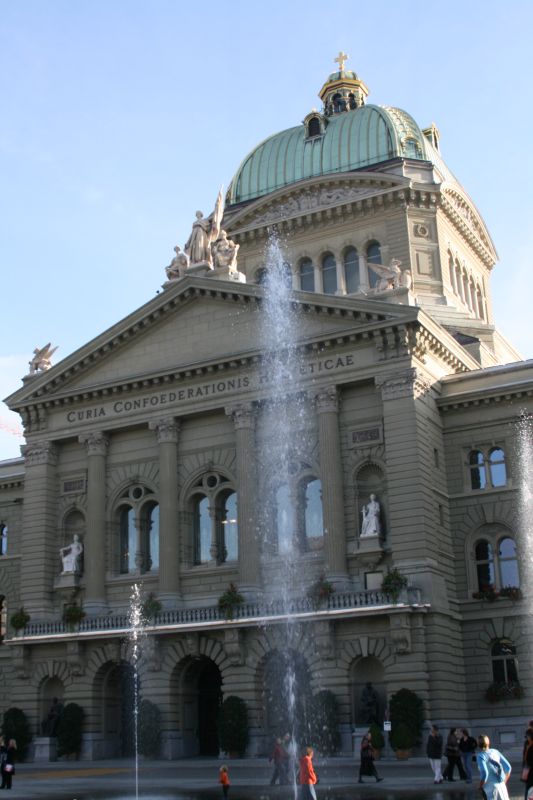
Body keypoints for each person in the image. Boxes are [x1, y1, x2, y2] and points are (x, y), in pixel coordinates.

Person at [476, 734, 511, 800]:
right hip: (502, 785)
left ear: (478, 744)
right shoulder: (495, 751)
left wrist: (480, 786)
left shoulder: (480, 756)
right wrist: (504, 781)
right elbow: (508, 767)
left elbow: (484, 773)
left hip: (490, 787)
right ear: (488, 742)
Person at [522, 728, 533, 799]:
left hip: (531, 772)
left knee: (528, 789)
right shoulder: (528, 744)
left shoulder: (530, 746)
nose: (526, 738)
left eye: (527, 736)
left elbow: (527, 759)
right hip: (529, 772)